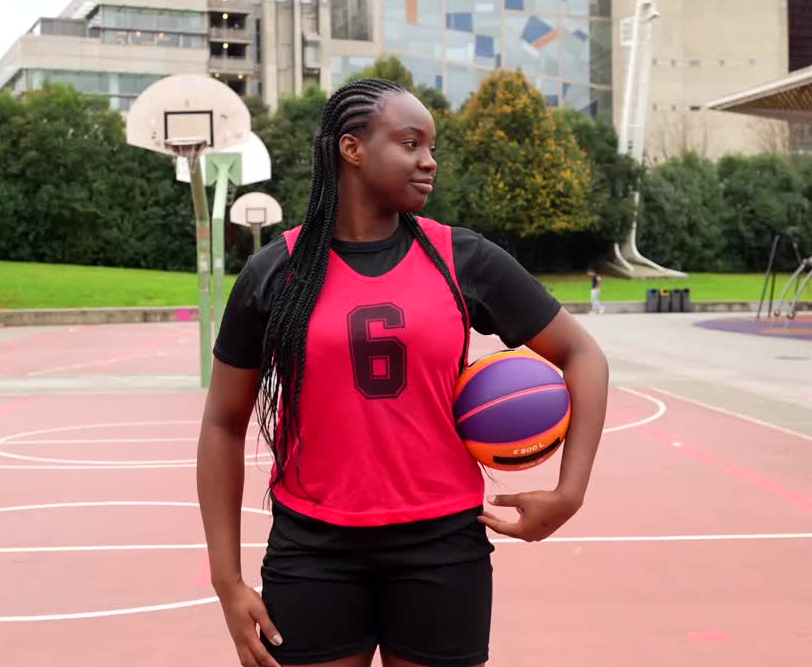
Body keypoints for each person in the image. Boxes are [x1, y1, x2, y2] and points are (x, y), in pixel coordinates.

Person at [196, 78, 610, 667]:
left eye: (432, 147)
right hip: (314, 547)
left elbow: (583, 355)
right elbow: (222, 425)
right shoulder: (275, 273)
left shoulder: (461, 257)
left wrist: (570, 493)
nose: (430, 161)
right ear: (352, 148)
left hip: (443, 545)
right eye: (411, 143)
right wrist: (226, 580)